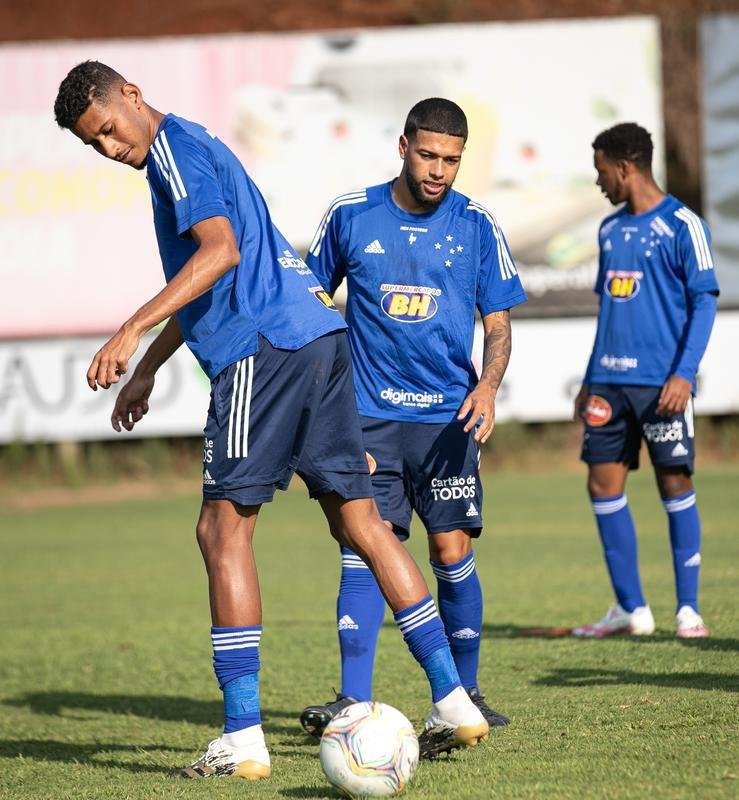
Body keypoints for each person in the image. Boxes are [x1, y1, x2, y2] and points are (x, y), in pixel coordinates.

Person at [53, 63, 490, 780]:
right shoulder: (197, 144)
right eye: (91, 144)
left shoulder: (172, 151)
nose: (107, 149)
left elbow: (219, 250)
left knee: (221, 529)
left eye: (106, 129)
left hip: (264, 349)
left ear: (131, 95)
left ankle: (241, 737)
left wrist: (130, 331)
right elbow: (220, 266)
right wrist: (154, 365)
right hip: (317, 335)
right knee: (361, 521)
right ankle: (452, 699)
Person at [298, 98, 527, 758]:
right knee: (365, 544)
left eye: (451, 160)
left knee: (450, 550)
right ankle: (351, 697)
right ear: (402, 146)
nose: (439, 171)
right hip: (367, 416)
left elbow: (499, 324)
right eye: (428, 155)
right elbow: (310, 305)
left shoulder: (477, 224)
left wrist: (487, 385)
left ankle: (464, 694)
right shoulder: (350, 215)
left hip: (448, 419)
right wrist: (318, 397)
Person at [572, 122, 719, 639]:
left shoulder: (683, 225)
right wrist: (590, 379)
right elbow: (608, 311)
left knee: (674, 482)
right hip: (609, 387)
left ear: (625, 167)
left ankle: (688, 610)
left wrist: (684, 374)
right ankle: (632, 610)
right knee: (601, 484)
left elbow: (704, 301)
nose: (600, 182)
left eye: (601, 171)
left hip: (662, 385)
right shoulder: (609, 231)